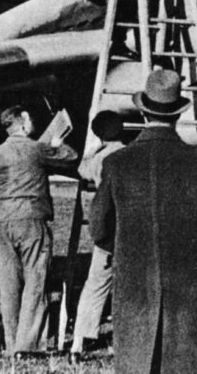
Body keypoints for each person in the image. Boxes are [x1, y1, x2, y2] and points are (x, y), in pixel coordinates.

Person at [89, 70, 197, 374]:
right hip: (191, 289)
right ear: (178, 114)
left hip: (135, 286)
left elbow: (98, 229)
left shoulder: (115, 163)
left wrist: (127, 247)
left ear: (143, 111)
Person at [0, 104, 77, 357]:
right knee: (35, 282)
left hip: (5, 221)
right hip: (31, 218)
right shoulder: (36, 148)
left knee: (9, 285)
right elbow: (70, 157)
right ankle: (27, 346)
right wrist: (58, 143)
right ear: (24, 121)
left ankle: (11, 341)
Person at [69, 111, 126, 363]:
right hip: (129, 227)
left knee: (95, 286)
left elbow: (82, 170)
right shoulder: (130, 155)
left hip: (106, 229)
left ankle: (79, 342)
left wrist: (92, 150)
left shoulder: (98, 160)